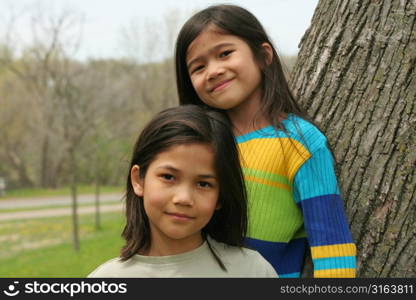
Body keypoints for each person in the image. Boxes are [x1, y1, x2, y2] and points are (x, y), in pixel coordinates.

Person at [174, 4, 356, 278]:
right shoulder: (195, 144)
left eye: (225, 53)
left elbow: (332, 249)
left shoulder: (301, 142)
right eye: (198, 67)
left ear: (263, 55)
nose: (213, 71)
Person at [88, 105, 277, 278]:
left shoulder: (253, 271)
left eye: (203, 184)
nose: (184, 198)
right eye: (168, 177)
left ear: (221, 195)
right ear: (139, 180)